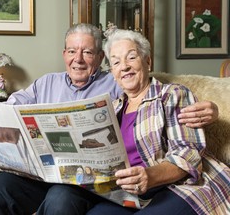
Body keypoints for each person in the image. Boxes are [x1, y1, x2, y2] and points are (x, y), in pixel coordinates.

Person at [0, 23, 220, 215]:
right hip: (40, 175)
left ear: (100, 59)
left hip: (83, 182)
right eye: (71, 51)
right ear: (64, 53)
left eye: (87, 52)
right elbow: (6, 111)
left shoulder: (116, 85)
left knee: (61, 199)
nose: (78, 59)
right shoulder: (46, 83)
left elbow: (165, 99)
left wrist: (213, 111)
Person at [86, 29, 230, 215]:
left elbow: (187, 155)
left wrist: (149, 176)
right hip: (129, 194)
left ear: (147, 61)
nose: (124, 66)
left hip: (179, 186)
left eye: (131, 57)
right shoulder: (112, 109)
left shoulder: (173, 95)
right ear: (113, 72)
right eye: (116, 62)